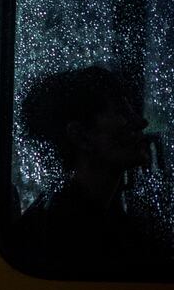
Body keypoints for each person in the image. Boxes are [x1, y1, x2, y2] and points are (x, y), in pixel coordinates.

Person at [18, 65, 163, 272]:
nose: (141, 122)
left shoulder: (94, 216)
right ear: (80, 136)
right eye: (121, 112)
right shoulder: (68, 235)